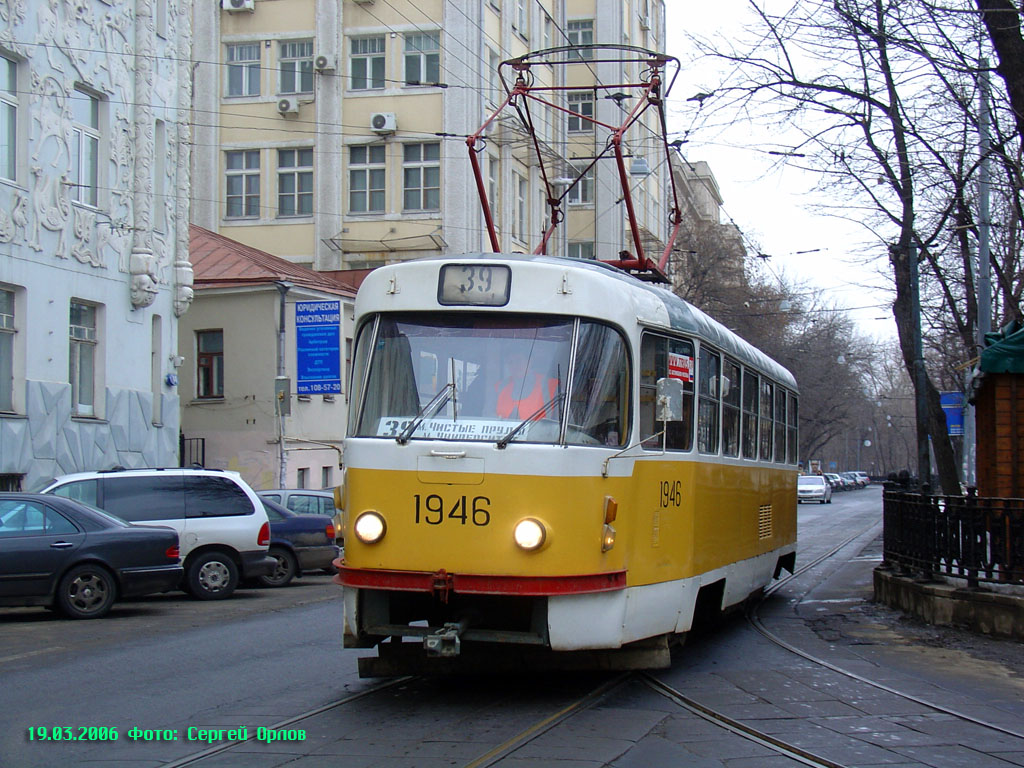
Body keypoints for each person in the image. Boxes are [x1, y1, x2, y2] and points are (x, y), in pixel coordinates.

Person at [494, 352, 559, 420]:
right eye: (510, 362)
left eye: (518, 360)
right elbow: (488, 415)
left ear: (530, 361)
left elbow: (560, 421)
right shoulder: (500, 387)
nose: (514, 365)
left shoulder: (550, 385)